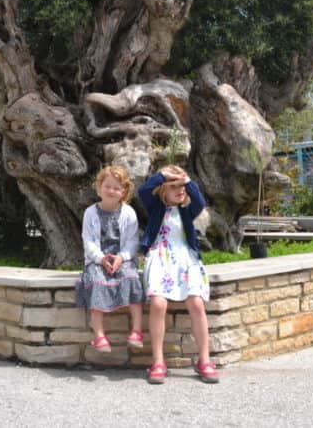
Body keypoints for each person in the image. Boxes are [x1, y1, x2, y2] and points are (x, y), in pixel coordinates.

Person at [138, 164, 219, 384]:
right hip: (160, 256)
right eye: (173, 186)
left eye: (182, 186)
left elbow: (200, 201)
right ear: (162, 189)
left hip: (186, 259)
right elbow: (143, 191)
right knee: (158, 304)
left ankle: (204, 359)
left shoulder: (187, 210)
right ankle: (157, 361)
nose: (180, 189)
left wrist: (187, 180)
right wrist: (162, 176)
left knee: (196, 304)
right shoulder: (155, 207)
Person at [74, 165, 145, 353]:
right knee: (96, 281)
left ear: (124, 192)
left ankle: (137, 331)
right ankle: (99, 336)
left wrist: (121, 258)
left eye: (117, 188)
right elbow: (88, 241)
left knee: (131, 279)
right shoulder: (90, 213)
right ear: (99, 188)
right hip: (98, 259)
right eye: (108, 186)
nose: (112, 191)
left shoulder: (129, 213)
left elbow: (132, 241)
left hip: (122, 258)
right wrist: (100, 258)